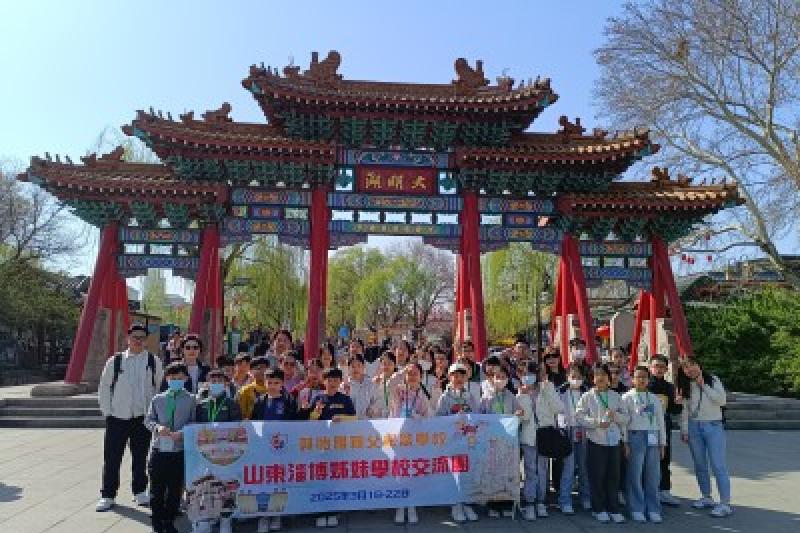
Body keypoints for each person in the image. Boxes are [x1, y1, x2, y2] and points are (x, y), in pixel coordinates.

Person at [96, 323, 164, 512]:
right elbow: (104, 387)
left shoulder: (153, 361)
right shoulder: (116, 361)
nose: (138, 340)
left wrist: (155, 414)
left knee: (140, 457)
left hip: (142, 418)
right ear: (128, 338)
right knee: (112, 458)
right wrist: (107, 412)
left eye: (142, 337)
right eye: (135, 337)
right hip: (118, 416)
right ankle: (108, 495)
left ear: (146, 340)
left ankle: (140, 491)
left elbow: (159, 387)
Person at [300, 367, 356, 528]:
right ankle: (320, 512)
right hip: (319, 445)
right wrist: (316, 412)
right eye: (329, 380)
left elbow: (354, 418)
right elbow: (310, 421)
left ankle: (333, 511)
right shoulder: (318, 398)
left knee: (336, 478)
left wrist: (341, 418)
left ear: (340, 382)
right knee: (320, 478)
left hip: (338, 445)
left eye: (335, 380)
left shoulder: (345, 399)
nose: (332, 383)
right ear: (324, 381)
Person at [144, 362, 196, 533]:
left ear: (186, 379)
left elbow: (194, 421)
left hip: (179, 451)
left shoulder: (191, 399)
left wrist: (183, 432)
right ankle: (157, 521)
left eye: (179, 378)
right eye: (172, 378)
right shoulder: (158, 399)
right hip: (159, 450)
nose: (175, 381)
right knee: (156, 488)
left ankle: (169, 520)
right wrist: (158, 428)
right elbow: (148, 420)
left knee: (175, 489)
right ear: (166, 379)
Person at [677, 357, 732, 517]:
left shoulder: (712, 379)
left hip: (713, 426)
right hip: (694, 427)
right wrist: (684, 430)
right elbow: (685, 410)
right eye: (686, 367)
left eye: (692, 365)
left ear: (699, 365)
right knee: (700, 464)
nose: (690, 369)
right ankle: (706, 496)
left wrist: (704, 386)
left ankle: (725, 503)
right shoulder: (685, 385)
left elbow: (721, 401)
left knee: (718, 465)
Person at [576, 364, 629, 524]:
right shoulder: (587, 396)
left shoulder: (616, 396)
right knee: (597, 476)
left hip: (614, 441)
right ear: (592, 379)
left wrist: (615, 416)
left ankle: (613, 508)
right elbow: (579, 416)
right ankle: (598, 508)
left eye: (603, 375)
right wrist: (596, 423)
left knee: (614, 475)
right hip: (596, 441)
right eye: (597, 375)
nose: (600, 377)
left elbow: (626, 418)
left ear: (608, 378)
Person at [194, 369, 241, 533]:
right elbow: (196, 429)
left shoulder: (232, 404)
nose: (216, 384)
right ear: (207, 384)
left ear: (226, 383)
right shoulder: (202, 405)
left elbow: (237, 428)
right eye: (213, 381)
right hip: (205, 453)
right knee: (207, 486)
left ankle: (226, 520)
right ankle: (208, 518)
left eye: (219, 381)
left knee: (226, 487)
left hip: (226, 454)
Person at [516, 360, 563, 520]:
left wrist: (547, 386)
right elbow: (524, 417)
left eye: (531, 373)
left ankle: (541, 501)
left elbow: (559, 408)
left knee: (542, 470)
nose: (528, 376)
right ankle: (530, 502)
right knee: (530, 470)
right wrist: (523, 396)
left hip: (544, 435)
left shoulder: (546, 388)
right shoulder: (521, 392)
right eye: (525, 374)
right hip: (529, 437)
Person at [621, 366, 666, 523]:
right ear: (632, 379)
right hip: (635, 436)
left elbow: (660, 421)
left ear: (648, 379)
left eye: (644, 377)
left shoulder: (654, 398)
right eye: (638, 377)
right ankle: (636, 508)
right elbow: (623, 423)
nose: (641, 380)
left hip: (653, 437)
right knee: (635, 474)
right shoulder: (626, 397)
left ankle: (653, 508)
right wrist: (625, 442)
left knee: (653, 475)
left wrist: (662, 443)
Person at [435, 362, 480, 523]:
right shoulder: (445, 397)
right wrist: (453, 420)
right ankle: (455, 504)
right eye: (455, 375)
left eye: (462, 375)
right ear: (449, 377)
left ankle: (466, 503)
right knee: (454, 473)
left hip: (467, 441)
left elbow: (476, 415)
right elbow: (439, 417)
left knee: (467, 472)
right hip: (452, 441)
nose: (459, 378)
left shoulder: (470, 396)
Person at [389, 363, 430, 524]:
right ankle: (400, 505)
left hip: (415, 440)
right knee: (400, 471)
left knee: (412, 472)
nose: (412, 376)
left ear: (421, 377)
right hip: (398, 438)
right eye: (409, 373)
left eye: (415, 373)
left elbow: (428, 417)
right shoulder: (398, 390)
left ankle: (412, 504)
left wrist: (418, 417)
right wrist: (401, 372)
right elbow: (390, 384)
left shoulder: (422, 395)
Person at [480, 365, 523, 519]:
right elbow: (480, 416)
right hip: (492, 442)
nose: (500, 380)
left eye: (503, 377)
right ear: (491, 379)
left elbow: (519, 411)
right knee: (492, 473)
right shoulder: (486, 397)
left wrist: (519, 413)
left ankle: (507, 504)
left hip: (508, 441)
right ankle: (492, 505)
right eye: (497, 377)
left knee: (508, 473)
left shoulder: (510, 396)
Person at [557, 363, 591, 513]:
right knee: (569, 467)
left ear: (583, 378)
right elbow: (557, 412)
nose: (576, 379)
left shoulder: (588, 393)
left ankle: (586, 497)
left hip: (584, 430)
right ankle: (565, 500)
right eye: (573, 376)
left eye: (579, 376)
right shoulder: (561, 392)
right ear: (567, 377)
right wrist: (561, 427)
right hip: (568, 430)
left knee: (584, 466)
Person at [648, 354, 682, 506]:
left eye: (662, 367)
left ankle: (664, 491)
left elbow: (674, 410)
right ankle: (647, 491)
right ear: (650, 367)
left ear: (666, 369)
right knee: (646, 460)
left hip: (664, 427)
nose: (659, 369)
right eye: (656, 366)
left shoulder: (670, 387)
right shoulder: (644, 385)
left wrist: (678, 403)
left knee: (665, 458)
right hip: (646, 427)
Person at [342, 355, 378, 419]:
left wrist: (371, 409)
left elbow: (376, 400)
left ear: (363, 367)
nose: (356, 369)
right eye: (353, 366)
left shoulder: (370, 383)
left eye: (359, 366)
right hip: (350, 421)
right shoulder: (344, 385)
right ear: (348, 368)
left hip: (367, 420)